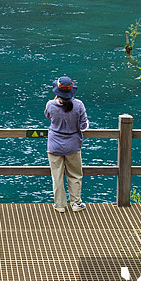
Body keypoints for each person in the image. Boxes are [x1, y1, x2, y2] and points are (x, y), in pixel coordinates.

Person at [44, 76, 89, 212]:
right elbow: (83, 125)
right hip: (73, 145)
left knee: (56, 176)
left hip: (54, 145)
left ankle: (60, 205)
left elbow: (48, 116)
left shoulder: (50, 105)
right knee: (75, 174)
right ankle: (76, 203)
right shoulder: (79, 105)